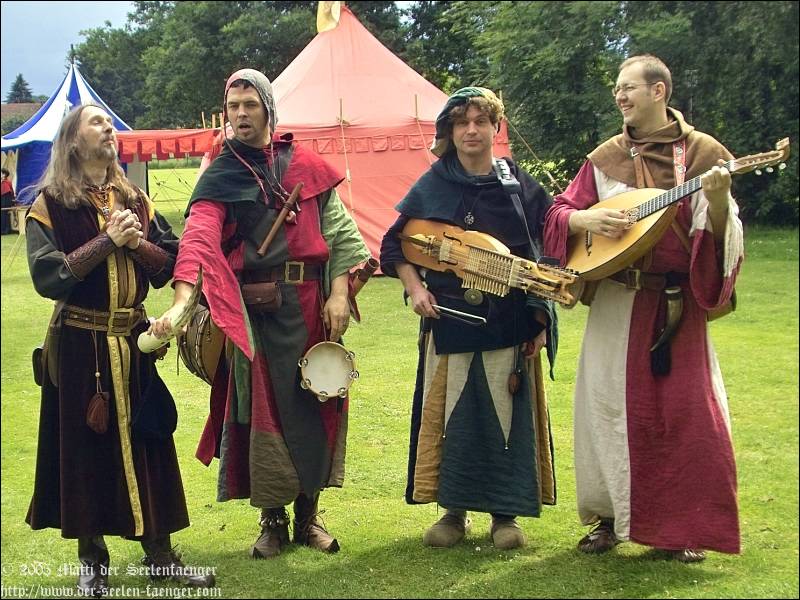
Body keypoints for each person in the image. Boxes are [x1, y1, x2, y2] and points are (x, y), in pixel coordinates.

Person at [150, 69, 370, 559]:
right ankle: (272, 520)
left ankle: (309, 517)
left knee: (314, 404)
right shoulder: (222, 173)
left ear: (268, 108)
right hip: (256, 315)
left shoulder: (306, 166)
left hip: (311, 307)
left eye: (250, 104)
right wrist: (183, 299)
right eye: (233, 107)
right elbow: (199, 238)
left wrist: (338, 293)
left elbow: (340, 234)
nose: (241, 114)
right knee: (262, 413)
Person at [543, 55, 743, 562]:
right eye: (617, 88)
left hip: (677, 306)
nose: (620, 96)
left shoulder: (703, 155)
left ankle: (683, 528)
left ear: (659, 92)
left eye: (628, 87)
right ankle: (608, 520)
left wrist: (719, 201)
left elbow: (720, 236)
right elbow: (558, 213)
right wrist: (586, 221)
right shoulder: (605, 158)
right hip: (618, 300)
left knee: (687, 416)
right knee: (607, 409)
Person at [25, 104, 215, 596]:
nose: (108, 128)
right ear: (73, 141)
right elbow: (48, 276)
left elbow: (170, 264)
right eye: (96, 122)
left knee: (150, 445)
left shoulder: (134, 199)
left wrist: (135, 244)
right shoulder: (50, 204)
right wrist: (107, 240)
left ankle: (161, 558)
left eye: (110, 123)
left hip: (134, 343)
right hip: (79, 349)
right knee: (85, 452)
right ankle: (92, 561)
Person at [379, 88, 558, 550]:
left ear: (496, 128)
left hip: (509, 324)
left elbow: (547, 252)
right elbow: (395, 245)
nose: (472, 130)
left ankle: (505, 516)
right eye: (462, 123)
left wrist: (541, 319)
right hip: (448, 321)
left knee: (506, 416)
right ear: (451, 130)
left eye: (481, 121)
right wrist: (416, 289)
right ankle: (452, 513)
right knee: (451, 417)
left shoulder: (519, 187)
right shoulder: (433, 183)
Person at [1, 167, 16, 234]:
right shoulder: (3, 182)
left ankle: (5, 230)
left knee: (4, 215)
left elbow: (7, 193)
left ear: (4, 174)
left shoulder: (6, 182)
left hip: (5, 201)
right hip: (3, 201)